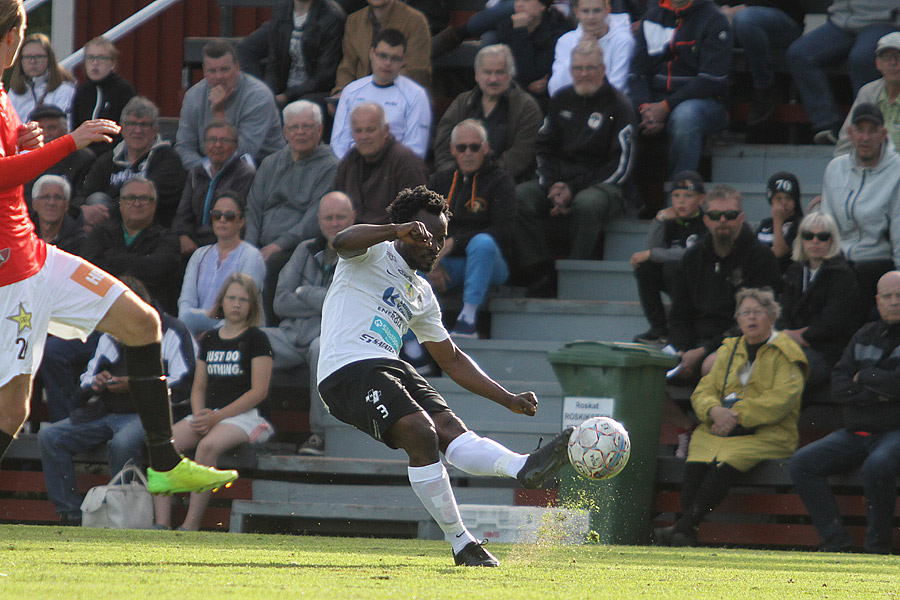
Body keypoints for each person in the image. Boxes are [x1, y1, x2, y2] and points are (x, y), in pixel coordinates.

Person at [0, 1, 236, 499]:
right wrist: (69, 142)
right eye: (20, 35)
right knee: (13, 411)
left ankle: (165, 463)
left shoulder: (3, 92)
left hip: (35, 254)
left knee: (143, 323)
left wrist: (21, 143)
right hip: (11, 275)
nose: (21, 47)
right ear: (12, 34)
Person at [316, 185, 574, 567]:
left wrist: (508, 399)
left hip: (387, 366)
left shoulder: (422, 293)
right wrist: (394, 229)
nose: (434, 245)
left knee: (449, 429)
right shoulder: (371, 252)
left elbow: (452, 360)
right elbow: (341, 241)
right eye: (426, 234)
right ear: (406, 228)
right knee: (422, 434)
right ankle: (461, 543)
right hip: (345, 370)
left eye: (440, 238)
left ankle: (523, 467)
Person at [654, 288, 807, 546]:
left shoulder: (786, 352)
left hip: (768, 433)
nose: (751, 318)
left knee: (726, 459)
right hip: (720, 427)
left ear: (772, 317)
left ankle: (683, 527)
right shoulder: (728, 349)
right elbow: (704, 390)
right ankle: (686, 531)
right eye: (745, 312)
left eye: (758, 312)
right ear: (737, 319)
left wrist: (735, 415)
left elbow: (780, 400)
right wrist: (714, 411)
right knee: (698, 457)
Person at [37, 279, 196, 526]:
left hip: (148, 415)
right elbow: (84, 384)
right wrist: (97, 383)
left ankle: (123, 517)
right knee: (51, 436)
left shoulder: (172, 331)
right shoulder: (111, 335)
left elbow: (184, 385)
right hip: (105, 411)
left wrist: (134, 385)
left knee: (122, 442)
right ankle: (70, 514)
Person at [790, 270, 900, 554]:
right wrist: (879, 390)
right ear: (877, 301)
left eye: (899, 296)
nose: (894, 301)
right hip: (855, 432)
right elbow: (838, 384)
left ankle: (878, 546)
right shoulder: (864, 334)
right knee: (802, 463)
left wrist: (863, 377)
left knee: (877, 465)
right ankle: (835, 541)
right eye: (887, 296)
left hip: (894, 432)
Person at [156, 273, 274, 531]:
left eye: (243, 300)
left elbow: (258, 392)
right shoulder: (209, 339)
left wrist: (215, 419)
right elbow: (199, 387)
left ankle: (190, 525)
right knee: (163, 443)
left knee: (208, 446)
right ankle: (161, 523)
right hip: (210, 413)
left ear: (252, 305)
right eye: (231, 298)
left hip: (246, 415)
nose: (236, 304)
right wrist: (200, 416)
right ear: (221, 301)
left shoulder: (257, 339)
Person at [515, 42, 636, 289]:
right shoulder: (561, 99)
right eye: (578, 68)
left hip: (602, 184)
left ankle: (575, 273)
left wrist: (573, 188)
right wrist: (552, 184)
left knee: (587, 204)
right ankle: (541, 270)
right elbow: (543, 147)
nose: (583, 74)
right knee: (518, 197)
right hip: (558, 180)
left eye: (590, 68)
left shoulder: (619, 106)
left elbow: (621, 164)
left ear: (603, 69)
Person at [262, 191, 356, 456]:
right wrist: (321, 300)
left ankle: (318, 435)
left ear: (353, 218)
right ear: (319, 220)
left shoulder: (361, 255)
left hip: (329, 339)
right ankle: (251, 424)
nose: (335, 223)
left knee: (319, 348)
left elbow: (344, 307)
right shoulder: (304, 249)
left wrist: (304, 292)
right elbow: (280, 302)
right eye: (329, 218)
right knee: (254, 340)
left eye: (341, 217)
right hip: (290, 337)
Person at [667, 185, 780, 381]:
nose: (722, 221)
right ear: (706, 220)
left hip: (742, 341)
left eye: (730, 215)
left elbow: (753, 321)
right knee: (650, 370)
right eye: (715, 215)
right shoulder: (691, 258)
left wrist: (703, 351)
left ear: (741, 218)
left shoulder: (760, 257)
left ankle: (715, 412)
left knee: (711, 366)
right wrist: (683, 351)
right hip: (696, 343)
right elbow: (679, 314)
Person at [244, 100, 339, 324]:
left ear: (319, 130)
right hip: (261, 244)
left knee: (273, 265)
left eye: (307, 127)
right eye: (294, 127)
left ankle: (267, 332)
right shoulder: (270, 163)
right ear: (285, 131)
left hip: (296, 246)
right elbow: (254, 207)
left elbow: (313, 218)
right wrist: (249, 247)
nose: (300, 132)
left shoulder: (330, 166)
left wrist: (278, 245)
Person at [427, 119, 516, 338]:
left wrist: (453, 244)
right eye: (461, 147)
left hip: (490, 263)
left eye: (475, 147)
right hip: (448, 264)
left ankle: (468, 318)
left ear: (485, 148)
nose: (468, 153)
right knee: (410, 265)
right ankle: (414, 349)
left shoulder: (501, 181)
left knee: (483, 242)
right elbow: (424, 225)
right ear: (452, 150)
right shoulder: (440, 180)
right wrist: (431, 263)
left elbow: (504, 232)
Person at [627, 0, 732, 176]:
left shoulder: (714, 19)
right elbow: (637, 73)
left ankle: (680, 190)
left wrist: (666, 107)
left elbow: (711, 80)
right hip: (654, 102)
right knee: (618, 111)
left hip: (705, 103)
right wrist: (645, 108)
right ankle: (624, 193)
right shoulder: (651, 17)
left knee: (685, 116)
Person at [820, 103, 900, 311]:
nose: (865, 138)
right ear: (850, 133)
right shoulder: (834, 168)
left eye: (872, 131)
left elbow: (899, 234)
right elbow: (826, 225)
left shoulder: (897, 171)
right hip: (839, 264)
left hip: (878, 264)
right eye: (860, 130)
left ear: (883, 134)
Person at [786, 0, 900, 144]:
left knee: (862, 58)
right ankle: (828, 126)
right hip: (841, 20)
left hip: (884, 19)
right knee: (799, 55)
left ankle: (866, 128)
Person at [432, 44, 543, 182]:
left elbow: (520, 156)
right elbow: (443, 147)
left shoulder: (526, 107)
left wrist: (483, 180)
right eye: (487, 72)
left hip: (508, 182)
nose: (493, 79)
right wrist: (456, 177)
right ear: (477, 75)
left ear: (510, 75)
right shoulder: (462, 102)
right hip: (460, 179)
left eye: (500, 72)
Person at [777, 212, 860, 391]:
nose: (815, 241)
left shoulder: (843, 275)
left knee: (783, 374)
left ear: (832, 241)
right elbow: (783, 311)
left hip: (828, 350)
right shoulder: (794, 270)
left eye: (822, 237)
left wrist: (799, 336)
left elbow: (832, 323)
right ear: (801, 240)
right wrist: (786, 334)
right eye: (808, 236)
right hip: (789, 342)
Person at [175, 39, 285, 171]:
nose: (219, 76)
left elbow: (245, 152)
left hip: (261, 168)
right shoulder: (193, 95)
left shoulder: (259, 96)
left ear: (237, 68)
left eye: (225, 69)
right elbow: (183, 147)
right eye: (212, 71)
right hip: (206, 167)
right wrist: (207, 171)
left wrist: (220, 115)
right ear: (204, 72)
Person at [80, 96, 187, 228]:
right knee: (94, 200)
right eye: (132, 124)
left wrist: (103, 214)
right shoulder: (108, 159)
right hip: (108, 227)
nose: (138, 130)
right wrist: (83, 210)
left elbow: (148, 199)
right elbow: (85, 192)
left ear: (155, 129)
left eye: (144, 125)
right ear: (122, 128)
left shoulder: (168, 160)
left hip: (151, 229)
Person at [81, 177, 182, 314]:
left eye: (144, 198)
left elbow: (155, 271)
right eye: (131, 198)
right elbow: (88, 268)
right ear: (121, 203)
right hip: (101, 309)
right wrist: (141, 261)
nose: (137, 203)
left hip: (148, 312)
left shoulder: (167, 238)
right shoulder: (101, 232)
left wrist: (110, 256)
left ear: (154, 204)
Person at [330, 28, 431, 160]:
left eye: (395, 58)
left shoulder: (416, 95)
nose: (387, 63)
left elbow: (416, 149)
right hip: (354, 167)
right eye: (382, 56)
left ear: (403, 60)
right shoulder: (351, 91)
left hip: (395, 171)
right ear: (372, 53)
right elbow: (338, 143)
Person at [631, 171, 706, 345]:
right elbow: (650, 251)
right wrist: (659, 219)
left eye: (688, 196)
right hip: (673, 282)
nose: (681, 201)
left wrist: (653, 254)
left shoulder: (706, 222)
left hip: (698, 285)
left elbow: (694, 254)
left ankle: (679, 325)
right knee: (645, 268)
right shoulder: (669, 222)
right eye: (676, 195)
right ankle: (658, 329)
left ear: (701, 199)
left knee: (673, 265)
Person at [178, 191, 266, 336]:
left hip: (237, 328)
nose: (222, 220)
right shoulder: (199, 255)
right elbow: (186, 301)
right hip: (197, 328)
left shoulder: (251, 256)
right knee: (185, 318)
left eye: (229, 216)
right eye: (217, 215)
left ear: (242, 222)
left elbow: (244, 306)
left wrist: (211, 336)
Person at [236, 0, 346, 109]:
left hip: (313, 91)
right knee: (260, 104)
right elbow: (274, 62)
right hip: (285, 87)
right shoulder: (281, 10)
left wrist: (286, 96)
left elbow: (324, 77)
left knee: (302, 106)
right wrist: (266, 93)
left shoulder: (332, 17)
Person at [332, 102, 428, 225]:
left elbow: (414, 218)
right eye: (358, 131)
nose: (364, 136)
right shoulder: (349, 161)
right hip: (350, 236)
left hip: (389, 239)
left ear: (386, 130)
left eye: (370, 130)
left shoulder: (407, 163)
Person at [171, 121, 257, 255]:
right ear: (204, 145)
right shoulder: (196, 172)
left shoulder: (245, 175)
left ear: (236, 146)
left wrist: (196, 242)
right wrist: (183, 235)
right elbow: (183, 213)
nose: (218, 145)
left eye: (224, 140)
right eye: (212, 140)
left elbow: (232, 220)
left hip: (223, 242)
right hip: (192, 242)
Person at [725, 1, 806, 126]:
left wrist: (740, 8)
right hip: (734, 17)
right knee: (713, 20)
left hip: (783, 17)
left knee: (745, 18)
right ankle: (721, 101)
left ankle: (765, 88)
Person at [331, 0, 431, 97]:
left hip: (400, 98)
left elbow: (415, 71)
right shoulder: (354, 20)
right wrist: (341, 91)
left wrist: (374, 91)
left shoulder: (415, 21)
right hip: (360, 98)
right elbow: (348, 66)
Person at [22, 104, 96, 218]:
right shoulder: (27, 162)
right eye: (40, 129)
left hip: (71, 222)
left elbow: (82, 196)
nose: (46, 134)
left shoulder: (83, 158)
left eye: (52, 128)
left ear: (65, 130)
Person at [547, 0, 634, 95]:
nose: (591, 17)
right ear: (576, 12)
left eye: (597, 10)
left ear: (607, 10)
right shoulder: (565, 41)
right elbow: (555, 90)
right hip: (573, 103)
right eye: (585, 11)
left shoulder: (623, 40)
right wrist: (577, 52)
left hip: (610, 105)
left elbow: (618, 85)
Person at [491, 0, 573, 99]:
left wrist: (520, 31)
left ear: (542, 6)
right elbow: (503, 70)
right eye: (516, 0)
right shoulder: (506, 26)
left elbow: (532, 74)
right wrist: (526, 86)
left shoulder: (557, 32)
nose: (519, 4)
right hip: (512, 92)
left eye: (526, 0)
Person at [835, 32, 900, 156]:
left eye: (898, 56)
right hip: (871, 168)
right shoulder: (868, 92)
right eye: (887, 57)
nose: (893, 62)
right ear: (878, 63)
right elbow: (846, 142)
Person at [70, 36, 135, 156]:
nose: (95, 63)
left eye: (101, 58)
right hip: (84, 153)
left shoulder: (123, 90)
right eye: (90, 58)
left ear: (113, 63)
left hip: (113, 153)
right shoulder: (82, 92)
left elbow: (128, 130)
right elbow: (75, 127)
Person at [8, 33, 75, 124]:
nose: (33, 61)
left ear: (49, 59)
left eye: (38, 56)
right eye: (28, 57)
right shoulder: (15, 92)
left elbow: (64, 127)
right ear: (21, 61)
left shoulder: (64, 90)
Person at [755, 171, 802, 274]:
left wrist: (778, 220)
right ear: (771, 200)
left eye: (788, 198)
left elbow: (779, 252)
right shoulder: (764, 225)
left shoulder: (799, 225)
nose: (784, 203)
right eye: (778, 198)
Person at [28, 174, 84, 256]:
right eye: (46, 197)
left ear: (66, 205)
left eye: (58, 198)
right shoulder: (23, 236)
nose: (51, 203)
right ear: (34, 204)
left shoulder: (80, 241)